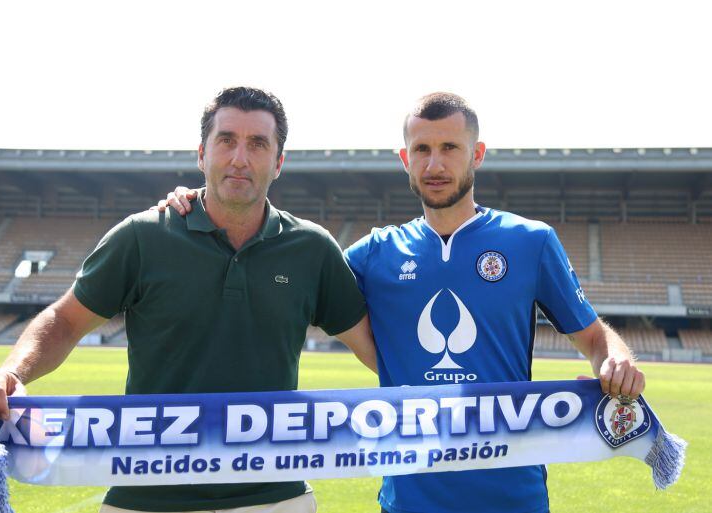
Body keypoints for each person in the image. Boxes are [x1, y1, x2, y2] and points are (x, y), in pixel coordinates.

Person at [158, 92, 645, 513]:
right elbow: (279, 275)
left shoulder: (531, 242)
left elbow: (594, 338)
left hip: (513, 493)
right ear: (404, 158)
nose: (435, 165)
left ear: (476, 153)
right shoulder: (374, 254)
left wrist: (617, 358)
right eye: (422, 150)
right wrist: (199, 202)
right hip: (410, 496)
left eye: (449, 148)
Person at [0, 86, 377, 513]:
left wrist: (449, 409)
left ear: (279, 162)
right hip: (145, 494)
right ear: (202, 154)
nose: (240, 157)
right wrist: (10, 373)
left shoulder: (312, 249)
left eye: (258, 144)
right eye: (226, 140)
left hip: (274, 496)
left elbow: (376, 350)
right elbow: (66, 321)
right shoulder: (143, 237)